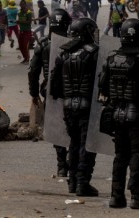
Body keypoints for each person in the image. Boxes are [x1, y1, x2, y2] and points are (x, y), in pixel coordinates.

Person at [98, 19, 139, 209]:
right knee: (138, 155)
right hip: (137, 114)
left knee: (120, 155)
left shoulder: (111, 59)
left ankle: (116, 196)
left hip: (116, 113)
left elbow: (102, 86)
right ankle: (137, 196)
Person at [50, 18, 100, 197]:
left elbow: (53, 88)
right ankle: (82, 184)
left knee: (74, 143)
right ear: (86, 31)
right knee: (87, 146)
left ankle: (72, 183)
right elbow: (100, 83)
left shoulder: (63, 55)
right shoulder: (93, 54)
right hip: (87, 108)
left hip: (68, 108)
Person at [28, 9, 72, 177]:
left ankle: (62, 165)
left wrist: (33, 94)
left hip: (51, 92)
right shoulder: (74, 42)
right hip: (72, 91)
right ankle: (72, 162)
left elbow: (33, 71)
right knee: (74, 128)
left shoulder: (43, 44)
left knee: (55, 128)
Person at [16, 0, 34, 64]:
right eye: (21, 4)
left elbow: (29, 22)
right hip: (21, 31)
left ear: (25, 5)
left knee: (25, 45)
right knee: (20, 46)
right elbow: (19, 20)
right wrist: (18, 22)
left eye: (23, 4)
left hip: (27, 32)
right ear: (20, 5)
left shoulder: (28, 12)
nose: (22, 5)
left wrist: (20, 22)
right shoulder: (19, 12)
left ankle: (27, 59)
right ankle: (25, 58)